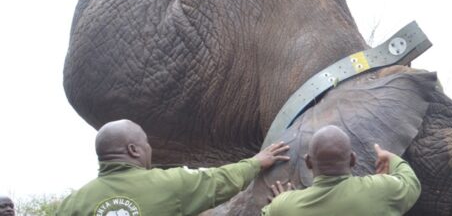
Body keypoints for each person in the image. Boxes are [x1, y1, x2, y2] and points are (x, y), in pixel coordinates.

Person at [57, 119, 290, 216]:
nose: (149, 149)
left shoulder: (71, 205)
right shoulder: (170, 184)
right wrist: (256, 162)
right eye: (145, 143)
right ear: (133, 150)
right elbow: (220, 180)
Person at [262, 125, 421, 215]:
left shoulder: (284, 207)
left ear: (309, 162)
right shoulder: (383, 189)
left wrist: (281, 202)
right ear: (353, 159)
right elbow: (411, 183)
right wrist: (392, 159)